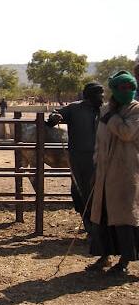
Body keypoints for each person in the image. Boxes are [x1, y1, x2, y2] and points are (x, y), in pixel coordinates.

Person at [87, 71, 139, 275]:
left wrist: (112, 118)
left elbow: (127, 133)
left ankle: (125, 260)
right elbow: (99, 141)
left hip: (127, 171)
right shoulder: (106, 110)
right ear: (115, 90)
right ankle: (104, 255)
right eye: (122, 88)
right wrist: (96, 166)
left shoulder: (135, 110)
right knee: (102, 215)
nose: (127, 91)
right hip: (104, 172)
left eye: (130, 87)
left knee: (125, 216)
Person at [46, 82, 104, 232]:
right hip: (79, 158)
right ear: (89, 95)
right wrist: (54, 117)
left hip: (102, 158)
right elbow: (53, 116)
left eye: (102, 93)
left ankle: (100, 227)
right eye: (99, 94)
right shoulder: (74, 108)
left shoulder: (104, 110)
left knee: (101, 191)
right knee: (80, 191)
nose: (102, 97)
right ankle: (88, 223)